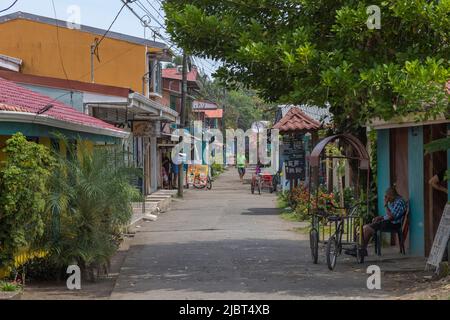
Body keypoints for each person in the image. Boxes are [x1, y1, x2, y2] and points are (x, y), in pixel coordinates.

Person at [358, 187, 407, 256]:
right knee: (364, 227)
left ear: (391, 195)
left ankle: (362, 250)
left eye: (387, 196)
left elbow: (391, 217)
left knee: (367, 228)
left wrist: (386, 205)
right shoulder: (395, 201)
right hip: (389, 222)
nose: (387, 198)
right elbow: (390, 215)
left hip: (394, 224)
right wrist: (381, 217)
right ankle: (361, 249)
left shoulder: (399, 202)